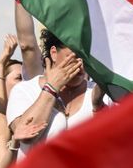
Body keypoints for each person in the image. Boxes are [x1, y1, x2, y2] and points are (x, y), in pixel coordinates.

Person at [6, 29, 98, 158]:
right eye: (75, 57)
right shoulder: (24, 90)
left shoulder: (97, 92)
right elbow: (26, 135)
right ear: (54, 53)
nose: (80, 65)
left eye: (86, 58)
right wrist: (52, 88)